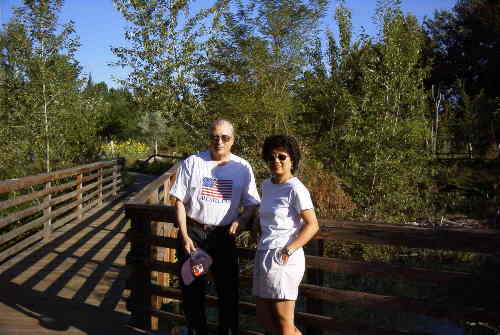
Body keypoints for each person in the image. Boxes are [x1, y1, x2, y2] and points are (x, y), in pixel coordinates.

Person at [169, 119, 260, 335]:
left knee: (227, 292)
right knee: (192, 291)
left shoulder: (242, 167)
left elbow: (251, 203)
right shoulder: (193, 162)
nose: (219, 141)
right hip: (195, 237)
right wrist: (184, 235)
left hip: (223, 238)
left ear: (233, 141)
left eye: (225, 138)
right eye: (215, 137)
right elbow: (179, 201)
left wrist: (242, 220)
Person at [253, 134, 319, 335]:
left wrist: (289, 249)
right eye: (272, 157)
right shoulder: (266, 185)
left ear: (292, 160)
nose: (276, 161)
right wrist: (256, 222)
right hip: (264, 253)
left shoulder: (296, 188)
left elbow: (312, 225)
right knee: (264, 317)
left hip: (284, 258)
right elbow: (268, 213)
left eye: (282, 157)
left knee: (284, 323)